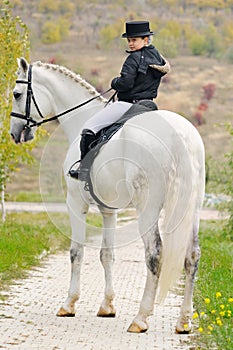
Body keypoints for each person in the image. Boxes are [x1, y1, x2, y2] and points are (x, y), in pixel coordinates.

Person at [69, 20, 170, 181]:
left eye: (134, 40)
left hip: (128, 104)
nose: (131, 43)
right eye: (129, 40)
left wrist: (114, 82)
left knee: (89, 128)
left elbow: (126, 83)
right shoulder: (158, 57)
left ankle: (84, 169)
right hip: (149, 105)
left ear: (146, 40)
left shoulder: (134, 58)